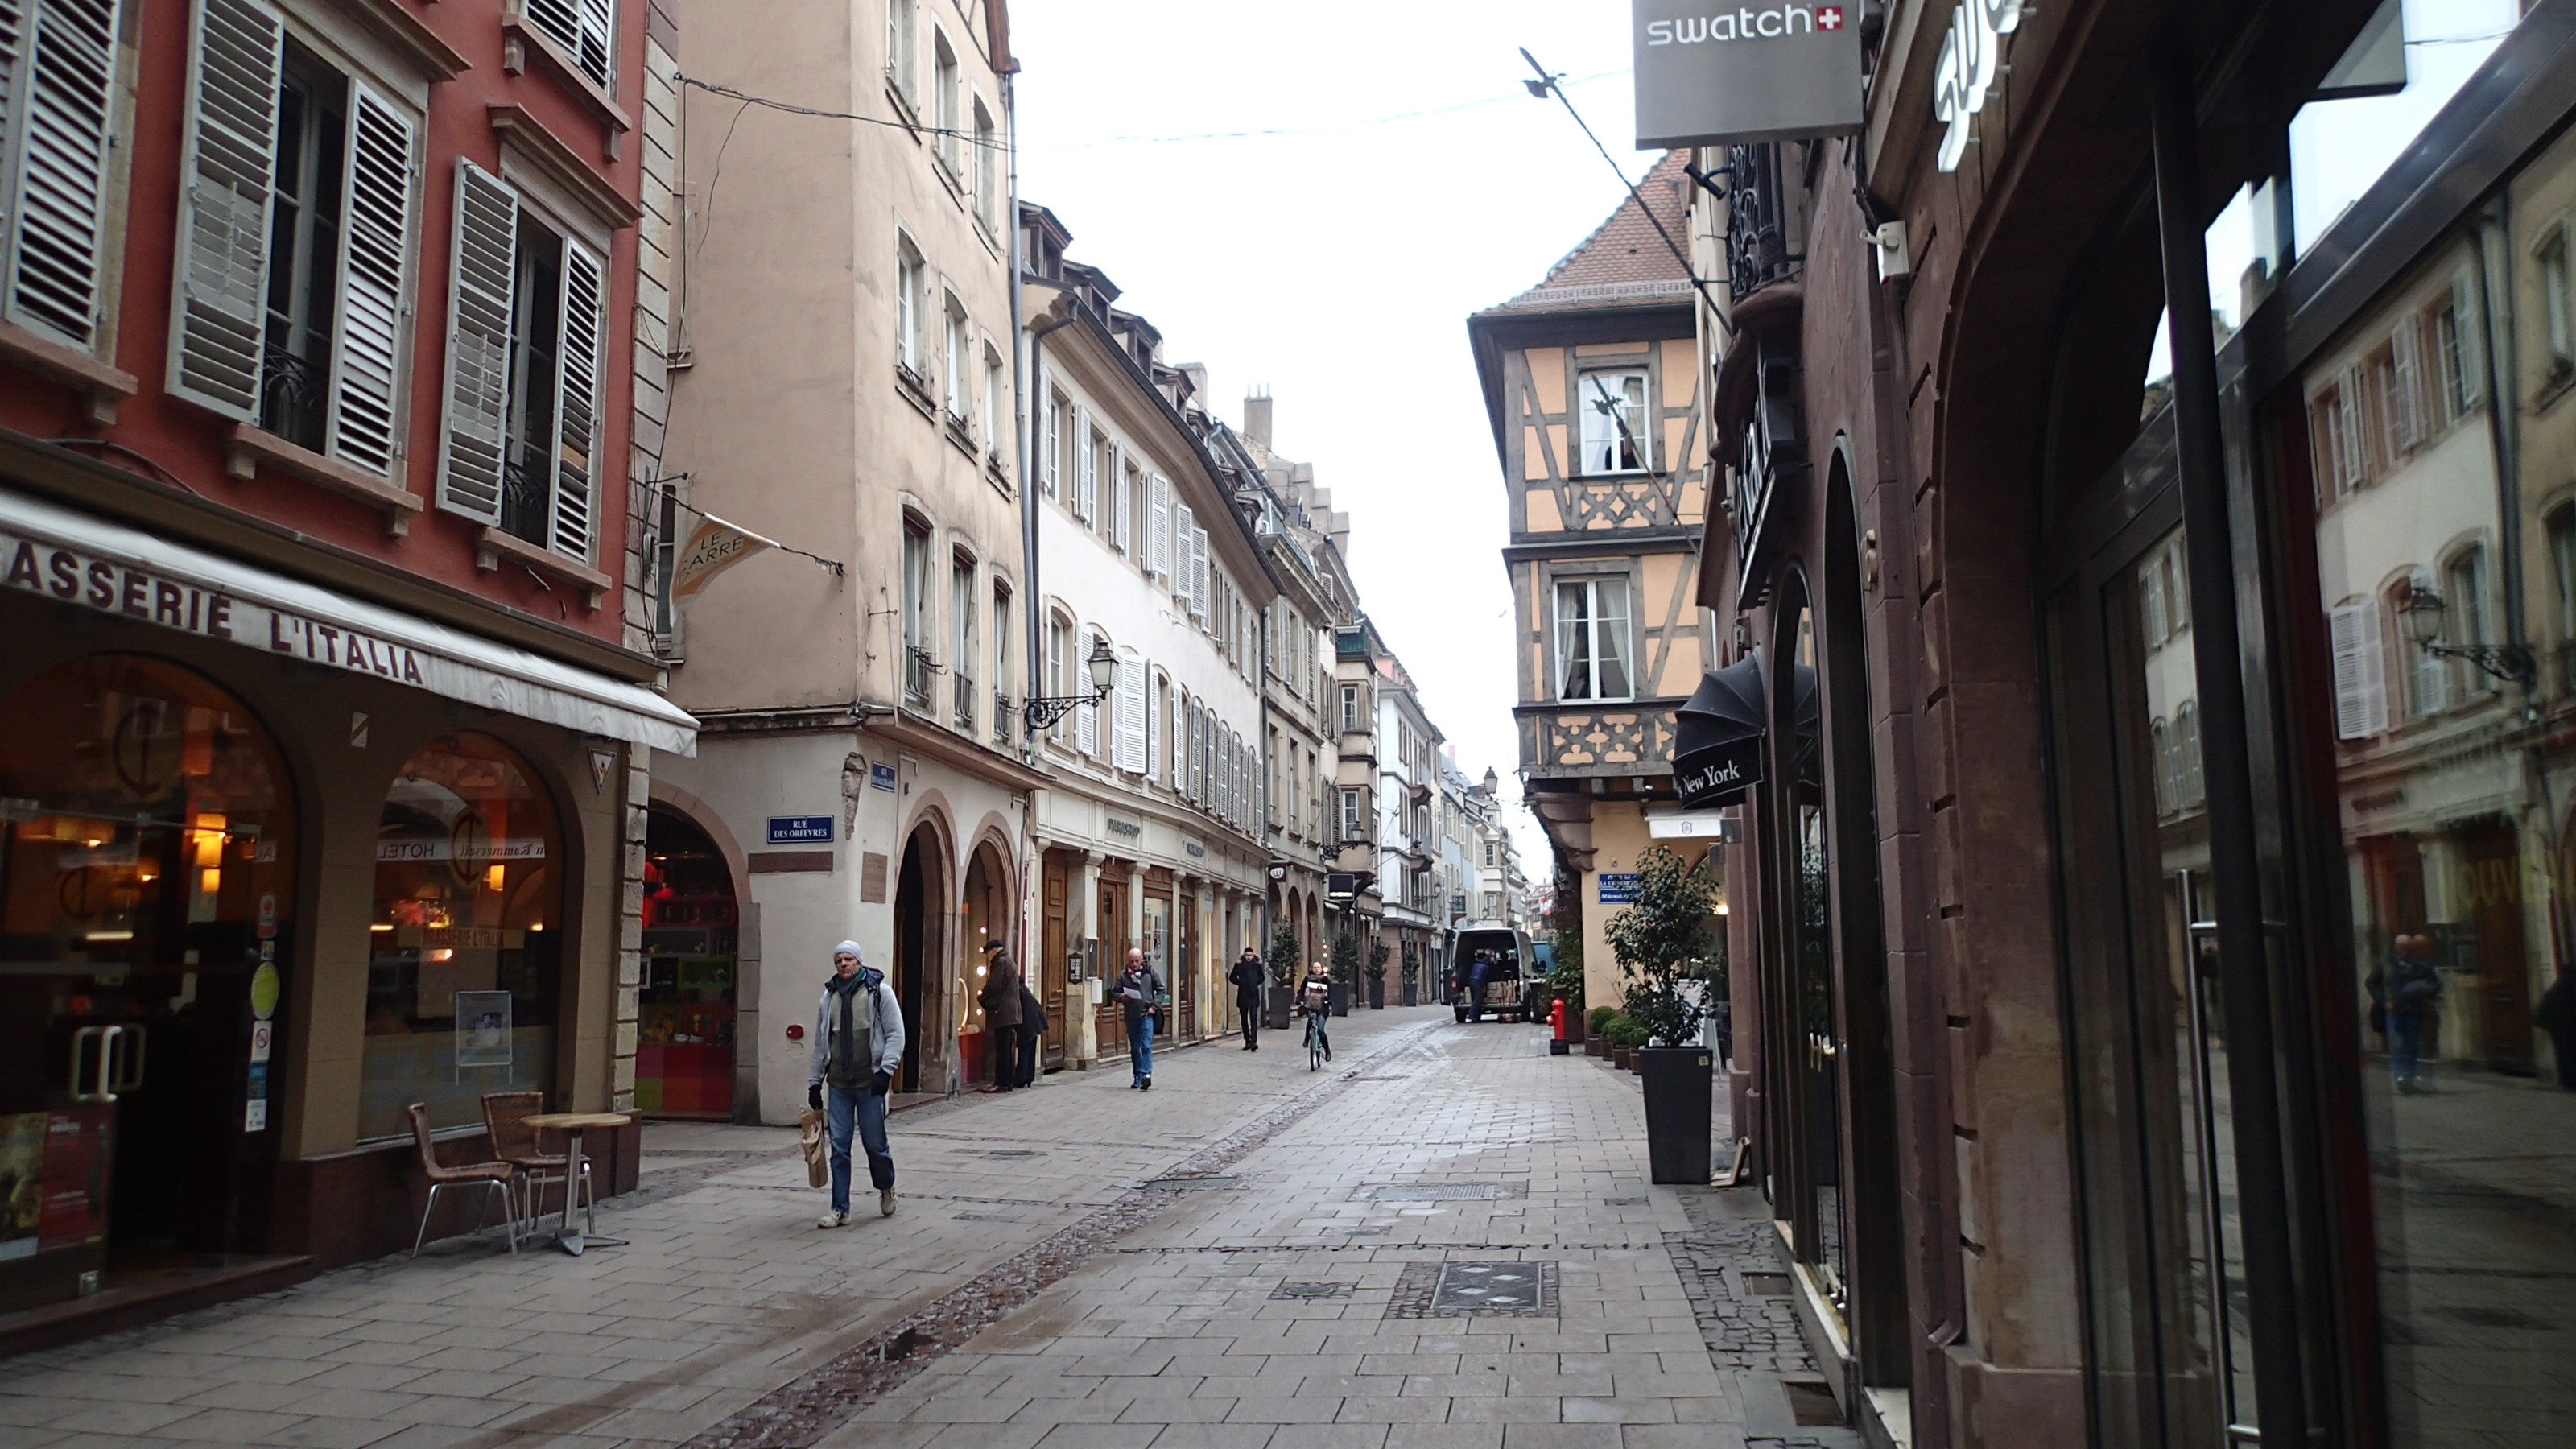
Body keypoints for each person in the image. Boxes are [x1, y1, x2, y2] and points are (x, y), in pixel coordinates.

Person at [807, 940, 904, 1225]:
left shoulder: (879, 993)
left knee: (875, 1145)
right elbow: (821, 1042)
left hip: (869, 1082)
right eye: (839, 960)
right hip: (839, 1083)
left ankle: (886, 1186)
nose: (844, 964)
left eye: (849, 959)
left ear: (859, 962)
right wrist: (815, 1083)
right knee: (839, 1147)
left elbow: (895, 1034)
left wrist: (886, 1071)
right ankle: (840, 1208)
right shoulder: (829, 998)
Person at [2385, 933, 2442, 1094]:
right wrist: (2384, 1001)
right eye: (2402, 948)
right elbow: (2373, 983)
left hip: (2413, 1010)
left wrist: (2426, 989)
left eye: (2409, 949)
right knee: (2397, 1045)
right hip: (2395, 1011)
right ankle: (2400, 1076)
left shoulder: (2421, 968)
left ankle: (2408, 1079)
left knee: (2412, 1044)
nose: (2406, 952)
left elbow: (2436, 985)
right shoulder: (2388, 966)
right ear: (2396, 948)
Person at [1114, 948, 1163, 1090]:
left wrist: (1154, 1006)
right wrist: (1121, 997)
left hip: (1147, 1015)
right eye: (1132, 961)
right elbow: (1114, 992)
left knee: (1146, 1045)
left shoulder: (1149, 973)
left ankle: (1147, 1075)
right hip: (1131, 1016)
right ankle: (1138, 1075)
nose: (1134, 964)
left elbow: (1161, 989)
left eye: (1137, 961)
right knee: (1135, 1048)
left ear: (1142, 960)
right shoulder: (1123, 976)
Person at [977, 939, 1022, 1092]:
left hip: (1003, 1011)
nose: (988, 956)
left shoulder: (1001, 962)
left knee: (1002, 1048)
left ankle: (1001, 1082)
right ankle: (1007, 1081)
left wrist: (981, 997)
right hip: (1010, 1012)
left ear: (994, 950)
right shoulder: (1009, 960)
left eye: (988, 953)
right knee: (1006, 1048)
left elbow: (994, 985)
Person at [2533, 968, 2575, 1091]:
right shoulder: (2572, 976)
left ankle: (2568, 1081)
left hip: (2557, 1017)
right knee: (2567, 1049)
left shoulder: (2570, 974)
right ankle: (2570, 1082)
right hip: (2559, 1018)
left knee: (2565, 1050)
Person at [1229, 947, 1267, 1050]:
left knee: (1254, 1018)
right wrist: (1241, 982)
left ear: (1253, 955)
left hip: (1253, 994)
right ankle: (1247, 1040)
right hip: (1243, 994)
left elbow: (1262, 977)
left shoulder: (1257, 965)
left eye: (1250, 955)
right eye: (1247, 955)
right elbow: (1232, 978)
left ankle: (1253, 1041)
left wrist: (1255, 983)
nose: (1249, 957)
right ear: (1244, 955)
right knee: (1244, 1019)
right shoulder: (1239, 965)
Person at [1017, 976, 1046, 1088]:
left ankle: (1021, 1078)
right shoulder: (1024, 989)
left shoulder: (1018, 991)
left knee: (1024, 1050)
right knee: (1030, 1050)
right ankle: (1029, 1076)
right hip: (1036, 1022)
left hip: (1028, 1023)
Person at [1300, 967, 1332, 1060]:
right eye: (1314, 967)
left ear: (1321, 969)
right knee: (1311, 1018)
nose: (1316, 969)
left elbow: (1331, 991)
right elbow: (1301, 991)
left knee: (1320, 1030)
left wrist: (1330, 1000)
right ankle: (1307, 1039)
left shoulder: (1325, 980)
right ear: (1312, 969)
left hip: (1322, 1008)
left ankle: (1327, 1050)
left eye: (1318, 967)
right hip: (1310, 1006)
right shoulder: (1308, 979)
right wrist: (1299, 1000)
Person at [1467, 952, 1491, 1022]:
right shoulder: (1485, 966)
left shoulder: (1474, 964)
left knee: (1474, 998)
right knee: (1478, 998)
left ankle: (1475, 1015)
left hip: (1471, 980)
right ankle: (1471, 1014)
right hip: (1478, 981)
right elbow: (1485, 977)